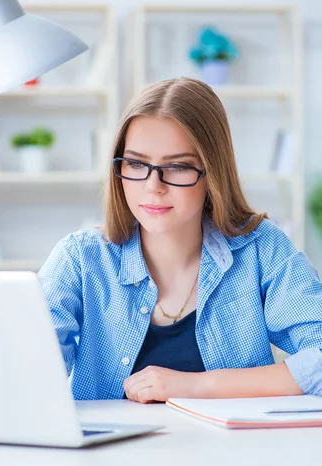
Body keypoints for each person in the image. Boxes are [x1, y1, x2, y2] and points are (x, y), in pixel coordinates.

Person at [38, 77, 322, 403]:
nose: (153, 185)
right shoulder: (80, 259)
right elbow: (24, 370)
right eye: (135, 163)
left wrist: (198, 386)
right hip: (107, 454)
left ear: (212, 172)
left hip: (237, 454)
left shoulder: (261, 248)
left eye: (177, 167)